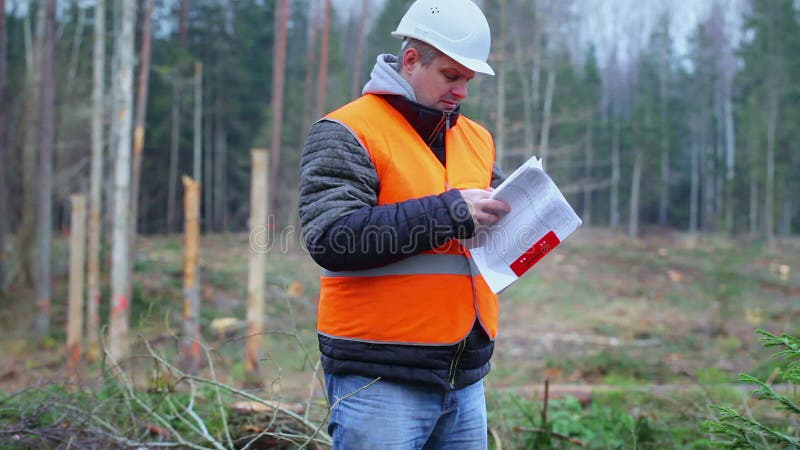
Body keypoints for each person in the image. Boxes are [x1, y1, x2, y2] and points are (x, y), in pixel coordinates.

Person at [298, 0, 510, 448]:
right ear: (411, 60)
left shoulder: (476, 139)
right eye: (451, 76)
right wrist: (451, 212)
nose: (461, 93)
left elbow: (485, 228)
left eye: (467, 80)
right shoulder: (347, 130)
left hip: (464, 374)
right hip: (379, 378)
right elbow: (331, 237)